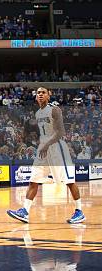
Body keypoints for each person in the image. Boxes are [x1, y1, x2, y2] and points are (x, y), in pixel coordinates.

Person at [7, 87, 85, 224]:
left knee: (69, 181)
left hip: (57, 148)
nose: (40, 94)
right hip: (43, 149)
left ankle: (79, 211)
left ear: (49, 95)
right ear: (36, 97)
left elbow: (61, 132)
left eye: (43, 92)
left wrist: (47, 143)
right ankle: (24, 211)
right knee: (34, 180)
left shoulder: (55, 110)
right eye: (38, 93)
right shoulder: (38, 113)